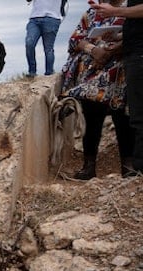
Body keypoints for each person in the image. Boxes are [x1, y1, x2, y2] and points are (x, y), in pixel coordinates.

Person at [61, 0, 131, 179]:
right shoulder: (92, 13)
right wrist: (93, 50)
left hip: (119, 74)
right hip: (91, 74)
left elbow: (135, 37)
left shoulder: (130, 10)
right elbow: (76, 39)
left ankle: (128, 166)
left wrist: (112, 50)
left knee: (122, 118)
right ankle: (88, 166)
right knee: (91, 117)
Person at [91, 0, 143, 176]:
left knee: (140, 116)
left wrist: (115, 11)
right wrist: (120, 38)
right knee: (137, 115)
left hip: (139, 55)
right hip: (133, 53)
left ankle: (139, 170)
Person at [25, 0, 67, 77]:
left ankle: (49, 73)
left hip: (52, 18)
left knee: (48, 49)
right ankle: (32, 72)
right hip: (34, 18)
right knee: (29, 43)